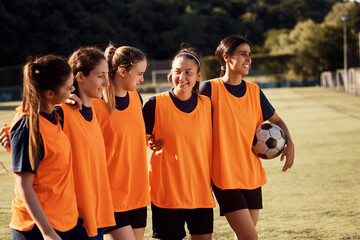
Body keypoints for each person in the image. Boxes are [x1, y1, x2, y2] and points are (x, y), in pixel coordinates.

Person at [199, 35, 295, 240]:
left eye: (249, 54)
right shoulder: (208, 89)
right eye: (243, 54)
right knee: (250, 237)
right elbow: (187, 119)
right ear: (226, 57)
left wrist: (290, 142)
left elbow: (277, 121)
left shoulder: (254, 91)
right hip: (224, 176)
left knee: (244, 237)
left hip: (251, 175)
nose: (248, 59)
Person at [8, 55, 88, 240]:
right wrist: (47, 232)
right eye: (69, 87)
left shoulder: (54, 115)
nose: (73, 90)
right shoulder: (28, 127)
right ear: (49, 94)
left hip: (66, 219)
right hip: (38, 227)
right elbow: (24, 186)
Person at [142, 47, 215, 240]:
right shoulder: (154, 104)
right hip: (167, 193)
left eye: (188, 72)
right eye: (177, 71)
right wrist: (149, 141)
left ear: (198, 76)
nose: (182, 77)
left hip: (200, 191)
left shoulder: (207, 105)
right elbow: (136, 140)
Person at [91, 44, 151, 240]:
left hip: (138, 192)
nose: (142, 79)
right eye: (139, 73)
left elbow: (131, 139)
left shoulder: (136, 98)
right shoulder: (95, 103)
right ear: (123, 72)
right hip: (110, 194)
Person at [60, 46, 115, 239]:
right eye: (100, 76)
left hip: (94, 213)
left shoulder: (94, 112)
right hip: (72, 218)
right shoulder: (61, 112)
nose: (107, 82)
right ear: (80, 77)